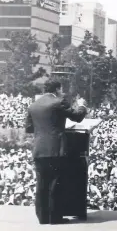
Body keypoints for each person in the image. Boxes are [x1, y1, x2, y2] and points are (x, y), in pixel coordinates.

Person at [25, 80, 88, 225]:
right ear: (58, 89)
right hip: (55, 149)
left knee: (41, 184)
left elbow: (29, 128)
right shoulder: (59, 102)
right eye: (62, 89)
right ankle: (55, 218)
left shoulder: (33, 105)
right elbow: (77, 116)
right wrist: (82, 105)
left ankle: (43, 217)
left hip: (39, 149)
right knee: (55, 182)